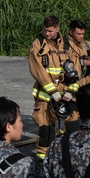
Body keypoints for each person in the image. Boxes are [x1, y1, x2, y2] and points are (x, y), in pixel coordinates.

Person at [28, 16, 72, 159]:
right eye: (46, 30)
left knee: (72, 124)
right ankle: (43, 158)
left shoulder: (66, 44)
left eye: (51, 31)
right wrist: (52, 91)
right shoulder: (38, 44)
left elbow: (74, 66)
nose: (47, 34)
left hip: (65, 94)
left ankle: (65, 154)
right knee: (45, 127)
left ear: (58, 29)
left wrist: (71, 90)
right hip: (45, 95)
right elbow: (38, 70)